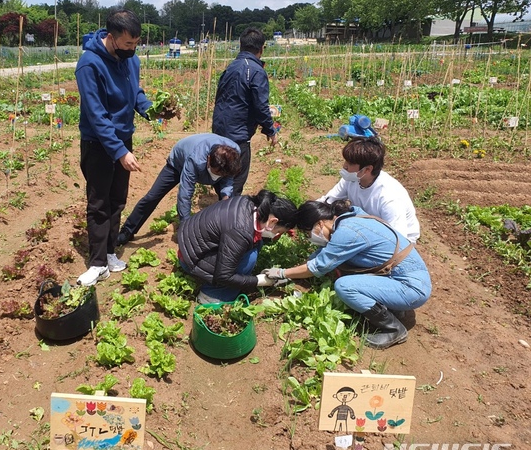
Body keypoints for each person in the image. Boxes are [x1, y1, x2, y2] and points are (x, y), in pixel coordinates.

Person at [263, 200, 432, 349]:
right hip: (404, 276)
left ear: (320, 224)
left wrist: (283, 273)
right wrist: (293, 273)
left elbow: (318, 266)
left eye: (308, 234)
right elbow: (319, 256)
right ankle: (394, 307)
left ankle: (393, 329)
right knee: (340, 268)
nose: (310, 239)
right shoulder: (350, 219)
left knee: (344, 286)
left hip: (412, 289)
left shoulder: (347, 233)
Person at [75, 9, 154, 287]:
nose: (133, 49)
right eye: (128, 44)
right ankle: (97, 264)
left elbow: (135, 92)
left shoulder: (130, 61)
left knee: (117, 199)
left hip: (123, 140)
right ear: (111, 37)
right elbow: (97, 116)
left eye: (136, 43)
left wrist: (150, 109)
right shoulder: (89, 64)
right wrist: (119, 152)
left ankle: (109, 253)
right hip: (98, 144)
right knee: (99, 203)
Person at [117, 134, 242, 246]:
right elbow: (185, 194)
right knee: (152, 197)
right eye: (216, 173)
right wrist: (185, 229)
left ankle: (224, 233)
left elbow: (228, 178)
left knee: (228, 201)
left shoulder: (233, 155)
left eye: (221, 174)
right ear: (208, 160)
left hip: (213, 164)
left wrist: (226, 196)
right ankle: (127, 230)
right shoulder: (196, 159)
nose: (218, 176)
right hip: (178, 164)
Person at [177, 190, 297, 303]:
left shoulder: (251, 204)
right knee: (250, 257)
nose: (277, 234)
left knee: (256, 243)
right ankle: (211, 296)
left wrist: (277, 233)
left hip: (191, 247)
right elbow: (224, 276)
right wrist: (259, 281)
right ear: (272, 221)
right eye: (279, 231)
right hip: (191, 259)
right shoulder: (241, 232)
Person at [212, 27, 278, 196]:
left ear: (240, 46)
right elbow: (261, 106)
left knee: (221, 173)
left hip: (220, 130)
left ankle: (221, 209)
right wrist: (271, 131)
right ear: (261, 48)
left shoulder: (231, 67)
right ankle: (227, 217)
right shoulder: (256, 71)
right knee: (236, 179)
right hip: (238, 134)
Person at [319, 137, 420, 242]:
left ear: (367, 169)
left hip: (397, 242)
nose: (345, 166)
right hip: (367, 228)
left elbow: (398, 239)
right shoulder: (352, 179)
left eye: (350, 164)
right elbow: (328, 201)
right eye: (346, 161)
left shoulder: (389, 197)